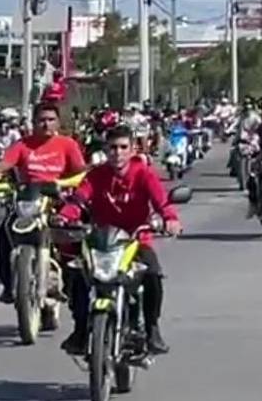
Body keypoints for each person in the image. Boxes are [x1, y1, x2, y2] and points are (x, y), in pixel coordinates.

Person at [56, 126, 183, 355]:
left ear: (133, 149)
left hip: (135, 240)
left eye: (123, 147)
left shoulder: (144, 173)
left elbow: (162, 203)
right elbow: (78, 200)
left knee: (152, 274)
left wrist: (170, 219)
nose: (117, 153)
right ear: (106, 150)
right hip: (100, 241)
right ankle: (80, 329)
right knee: (77, 274)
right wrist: (65, 216)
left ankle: (152, 329)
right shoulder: (96, 175)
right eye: (112, 147)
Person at [0, 102, 86, 304]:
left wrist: (74, 183)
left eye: (51, 120)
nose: (46, 124)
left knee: (78, 234)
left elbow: (81, 171)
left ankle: (75, 284)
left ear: (58, 122)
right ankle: (8, 285)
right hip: (29, 200)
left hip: (59, 201)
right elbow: (2, 165)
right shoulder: (22, 145)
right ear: (33, 122)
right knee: (5, 232)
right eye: (41, 120)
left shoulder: (68, 145)